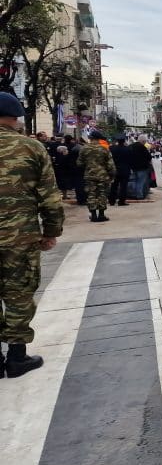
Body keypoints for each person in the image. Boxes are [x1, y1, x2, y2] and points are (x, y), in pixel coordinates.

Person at [0, 92, 63, 377]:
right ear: (15, 117)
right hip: (19, 237)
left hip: (18, 236)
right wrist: (51, 231)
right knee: (19, 294)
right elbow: (49, 197)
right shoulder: (31, 148)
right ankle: (16, 357)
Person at [77, 130, 116, 222]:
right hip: (103, 175)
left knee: (91, 194)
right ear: (99, 139)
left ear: (90, 138)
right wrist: (112, 174)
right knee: (102, 194)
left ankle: (93, 215)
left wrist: (87, 166)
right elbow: (110, 164)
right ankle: (101, 215)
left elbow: (79, 163)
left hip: (89, 175)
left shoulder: (84, 149)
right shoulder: (104, 149)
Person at [109, 135, 132, 207]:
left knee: (114, 185)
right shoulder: (128, 149)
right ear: (124, 141)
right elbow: (130, 160)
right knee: (123, 186)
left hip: (115, 169)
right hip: (125, 169)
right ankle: (121, 201)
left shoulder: (112, 148)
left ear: (117, 141)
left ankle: (111, 200)